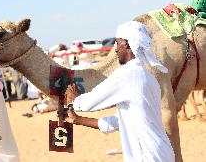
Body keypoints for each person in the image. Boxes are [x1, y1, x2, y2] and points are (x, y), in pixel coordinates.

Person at [64, 21, 175, 162]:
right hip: (162, 153)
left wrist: (74, 100)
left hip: (147, 156)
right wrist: (78, 120)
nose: (115, 49)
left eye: (118, 43)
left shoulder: (127, 74)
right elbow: (120, 120)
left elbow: (88, 103)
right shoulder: (149, 78)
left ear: (127, 44)